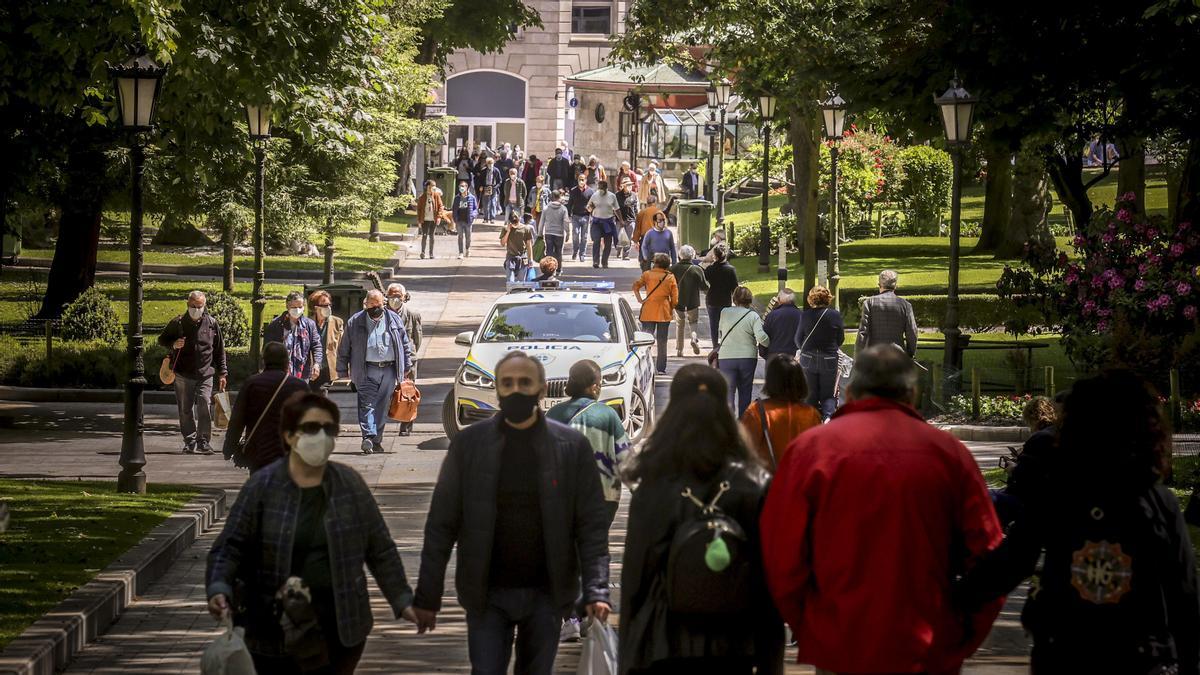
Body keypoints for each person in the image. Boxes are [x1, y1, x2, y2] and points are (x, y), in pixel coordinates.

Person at [760, 346, 1003, 675]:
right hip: (927, 641)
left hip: (841, 639)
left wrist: (809, 624)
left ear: (849, 392)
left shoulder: (812, 450)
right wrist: (964, 632)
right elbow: (990, 555)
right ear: (913, 393)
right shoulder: (950, 454)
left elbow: (780, 552)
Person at [957, 370, 1199, 674]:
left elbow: (1011, 563)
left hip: (1066, 650)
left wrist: (955, 603)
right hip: (1138, 655)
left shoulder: (1057, 494)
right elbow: (1183, 594)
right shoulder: (1159, 502)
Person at [412, 351, 612, 675]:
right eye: (508, 383)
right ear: (497, 389)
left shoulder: (570, 447)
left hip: (547, 593)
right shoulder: (469, 446)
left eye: (525, 382)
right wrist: (427, 596)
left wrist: (597, 590)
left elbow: (590, 526)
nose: (516, 390)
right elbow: (441, 524)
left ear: (542, 389)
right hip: (485, 592)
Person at [206, 392, 418, 673]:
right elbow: (229, 546)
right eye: (311, 428)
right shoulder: (262, 487)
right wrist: (219, 587)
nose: (321, 436)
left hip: (341, 627)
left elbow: (380, 548)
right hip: (272, 630)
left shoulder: (348, 484)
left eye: (328, 429)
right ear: (290, 435)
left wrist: (402, 600)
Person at [619, 363, 784, 675]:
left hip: (663, 642)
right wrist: (770, 661)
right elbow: (767, 585)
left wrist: (628, 655)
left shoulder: (652, 487)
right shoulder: (754, 483)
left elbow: (634, 581)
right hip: (735, 644)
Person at [336, 289, 413, 455]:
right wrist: (342, 370)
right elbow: (344, 348)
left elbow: (404, 344)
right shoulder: (355, 322)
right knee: (367, 403)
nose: (375, 307)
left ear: (383, 304)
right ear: (366, 304)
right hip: (365, 370)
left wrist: (407, 365)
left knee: (382, 405)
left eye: (378, 304)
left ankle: (376, 440)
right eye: (371, 304)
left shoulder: (394, 319)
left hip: (389, 369)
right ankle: (368, 437)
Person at [157, 290, 227, 455]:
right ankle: (190, 440)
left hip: (206, 373)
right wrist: (174, 344)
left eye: (199, 306)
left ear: (204, 306)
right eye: (193, 306)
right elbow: (162, 339)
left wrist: (223, 372)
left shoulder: (211, 323)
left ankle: (203, 440)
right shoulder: (178, 323)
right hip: (183, 373)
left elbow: (219, 350)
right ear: (187, 305)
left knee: (204, 402)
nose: (196, 309)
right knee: (185, 409)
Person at [222, 341, 309, 471]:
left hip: (259, 451)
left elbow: (237, 419)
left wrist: (229, 448)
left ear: (264, 361)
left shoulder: (252, 384)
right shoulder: (300, 386)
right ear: (287, 361)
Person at [739, 354, 821, 468]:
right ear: (801, 381)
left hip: (768, 480)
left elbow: (742, 451)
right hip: (799, 480)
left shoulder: (756, 412)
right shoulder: (811, 414)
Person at [796, 285, 846, 421]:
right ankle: (828, 417)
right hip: (829, 357)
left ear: (811, 299)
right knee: (828, 393)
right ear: (827, 298)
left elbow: (798, 339)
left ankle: (810, 419)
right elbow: (840, 338)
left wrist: (805, 350)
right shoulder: (834, 315)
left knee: (810, 393)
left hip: (808, 358)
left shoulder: (805, 315)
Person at [717, 286, 768, 418]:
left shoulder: (724, 312)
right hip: (747, 358)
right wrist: (769, 343)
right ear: (749, 300)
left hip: (726, 357)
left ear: (734, 299)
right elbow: (761, 337)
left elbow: (721, 330)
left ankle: (729, 423)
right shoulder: (753, 316)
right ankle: (744, 423)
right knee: (745, 390)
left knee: (728, 391)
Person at [633, 253, 679, 376]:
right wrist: (671, 307)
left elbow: (636, 286)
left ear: (656, 263)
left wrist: (640, 299)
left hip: (648, 309)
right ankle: (661, 368)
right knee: (662, 341)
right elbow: (675, 298)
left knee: (645, 340)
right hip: (664, 311)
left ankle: (643, 364)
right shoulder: (670, 277)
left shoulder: (647, 274)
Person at [264, 291, 324, 383]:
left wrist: (317, 364)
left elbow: (316, 345)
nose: (297, 310)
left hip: (302, 374)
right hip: (280, 374)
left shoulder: (309, 325)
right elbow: (268, 349)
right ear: (287, 307)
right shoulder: (276, 324)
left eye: (300, 307)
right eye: (294, 307)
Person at [855, 269, 918, 357]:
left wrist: (858, 358)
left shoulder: (869, 303)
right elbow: (912, 333)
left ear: (879, 285)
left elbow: (863, 333)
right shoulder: (905, 305)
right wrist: (910, 354)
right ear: (895, 286)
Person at [386, 283, 422, 436]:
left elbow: (417, 338)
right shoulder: (381, 314)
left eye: (398, 296)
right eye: (391, 296)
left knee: (408, 393)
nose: (395, 299)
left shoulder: (413, 314)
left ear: (404, 297)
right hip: (387, 359)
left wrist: (410, 356)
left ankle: (406, 426)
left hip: (408, 359)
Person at [669, 244, 707, 357]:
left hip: (678, 301)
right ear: (692, 256)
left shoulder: (673, 269)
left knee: (679, 324)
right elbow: (704, 286)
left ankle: (680, 350)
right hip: (693, 301)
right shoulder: (697, 269)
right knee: (693, 322)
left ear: (680, 255)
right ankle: (694, 338)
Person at [307, 290, 344, 395]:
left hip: (328, 368)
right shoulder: (307, 323)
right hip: (311, 368)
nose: (328, 308)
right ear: (315, 308)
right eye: (324, 305)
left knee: (323, 395)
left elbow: (342, 346)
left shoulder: (337, 322)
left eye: (329, 304)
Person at [704, 242, 739, 346]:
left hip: (712, 299)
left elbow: (704, 281)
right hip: (725, 300)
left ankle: (715, 345)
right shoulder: (731, 270)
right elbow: (735, 287)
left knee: (713, 324)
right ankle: (724, 344)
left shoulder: (710, 269)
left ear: (714, 256)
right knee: (725, 324)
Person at [761, 288, 803, 361]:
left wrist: (764, 354)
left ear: (779, 300)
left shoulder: (772, 315)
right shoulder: (802, 315)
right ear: (793, 301)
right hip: (795, 357)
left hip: (775, 356)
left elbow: (765, 336)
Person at [586, 179, 620, 269]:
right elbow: (588, 209)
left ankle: (604, 261)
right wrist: (591, 207)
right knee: (596, 241)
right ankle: (595, 261)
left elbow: (617, 209)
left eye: (602, 189)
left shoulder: (612, 196)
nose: (601, 190)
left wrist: (621, 220)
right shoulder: (594, 195)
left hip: (608, 222)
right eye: (599, 188)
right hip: (597, 222)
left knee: (608, 243)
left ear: (606, 188)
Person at [538, 189, 569, 273]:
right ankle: (558, 269)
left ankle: (548, 269)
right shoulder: (563, 209)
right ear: (559, 197)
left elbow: (541, 222)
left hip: (548, 233)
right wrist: (568, 233)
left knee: (549, 251)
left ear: (551, 197)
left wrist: (540, 233)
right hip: (559, 234)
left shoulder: (546, 208)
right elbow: (566, 222)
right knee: (559, 252)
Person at [501, 211, 536, 283]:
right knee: (510, 282)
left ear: (519, 219)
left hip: (523, 258)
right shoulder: (505, 228)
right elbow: (502, 243)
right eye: (513, 222)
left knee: (521, 282)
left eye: (516, 222)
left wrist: (531, 259)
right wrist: (508, 231)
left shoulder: (526, 229)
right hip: (510, 258)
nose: (514, 224)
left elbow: (529, 245)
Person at [567, 175, 593, 262]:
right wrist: (568, 214)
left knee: (584, 237)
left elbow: (592, 204)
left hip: (586, 216)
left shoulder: (590, 191)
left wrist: (591, 213)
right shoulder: (573, 190)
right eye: (579, 180)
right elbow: (570, 203)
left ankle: (582, 254)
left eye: (583, 180)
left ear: (586, 180)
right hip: (575, 216)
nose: (581, 181)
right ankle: (575, 251)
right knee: (575, 235)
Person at [414, 180, 443, 260]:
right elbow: (419, 209)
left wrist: (439, 217)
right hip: (425, 219)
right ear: (427, 187)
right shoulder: (422, 197)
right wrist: (419, 220)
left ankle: (431, 253)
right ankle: (423, 252)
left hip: (433, 219)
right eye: (430, 187)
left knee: (432, 236)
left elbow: (441, 206)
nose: (432, 189)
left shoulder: (436, 196)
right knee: (424, 235)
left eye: (433, 187)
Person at [632, 194, 662, 270]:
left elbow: (637, 228)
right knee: (657, 257)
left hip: (645, 237)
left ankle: (645, 272)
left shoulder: (642, 212)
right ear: (655, 202)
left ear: (647, 203)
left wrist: (635, 240)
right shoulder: (659, 212)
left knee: (644, 256)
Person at [451, 180, 479, 259]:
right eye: (460, 186)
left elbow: (475, 209)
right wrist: (455, 219)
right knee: (460, 236)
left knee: (468, 237)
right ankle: (460, 252)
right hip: (459, 220)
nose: (461, 188)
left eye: (463, 186)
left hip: (468, 220)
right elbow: (454, 209)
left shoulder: (471, 197)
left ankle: (467, 249)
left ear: (467, 187)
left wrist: (473, 215)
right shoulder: (457, 198)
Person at [615, 178, 640, 260]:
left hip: (631, 220)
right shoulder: (617, 195)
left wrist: (637, 219)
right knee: (619, 237)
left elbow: (636, 208)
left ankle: (626, 254)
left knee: (628, 238)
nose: (630, 186)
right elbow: (615, 208)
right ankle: (618, 250)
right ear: (623, 186)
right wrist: (620, 219)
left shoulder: (634, 195)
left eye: (630, 185)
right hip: (620, 220)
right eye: (628, 185)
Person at [476, 156, 503, 223]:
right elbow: (479, 180)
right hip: (485, 187)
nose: (490, 165)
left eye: (491, 163)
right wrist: (481, 186)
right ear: (487, 164)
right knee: (485, 203)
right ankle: (486, 218)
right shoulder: (483, 171)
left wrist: (496, 187)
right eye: (489, 163)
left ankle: (492, 218)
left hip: (493, 188)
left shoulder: (496, 170)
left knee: (493, 203)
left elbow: (500, 181)